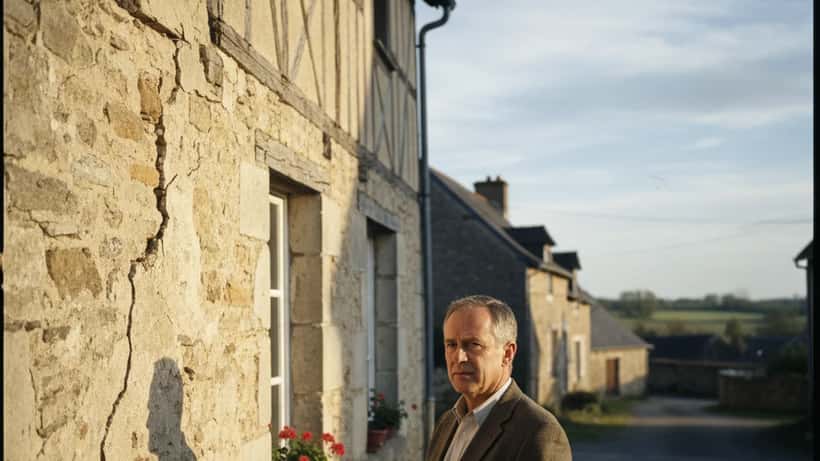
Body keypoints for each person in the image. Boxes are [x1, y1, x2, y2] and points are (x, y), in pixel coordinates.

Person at [426, 295, 572, 461]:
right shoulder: (447, 422)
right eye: (451, 345)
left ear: (507, 354)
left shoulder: (540, 433)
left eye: (474, 345)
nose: (459, 357)